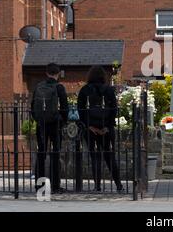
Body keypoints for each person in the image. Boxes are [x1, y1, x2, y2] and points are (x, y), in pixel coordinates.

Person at [77, 66, 123, 192]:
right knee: (109, 156)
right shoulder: (108, 90)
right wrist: (107, 127)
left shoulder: (84, 90)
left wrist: (89, 126)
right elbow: (114, 109)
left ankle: (97, 185)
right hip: (106, 129)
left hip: (90, 129)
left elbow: (80, 110)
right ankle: (118, 184)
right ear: (103, 76)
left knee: (94, 156)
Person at [31, 63, 68, 194]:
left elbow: (32, 108)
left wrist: (38, 119)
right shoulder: (59, 87)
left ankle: (40, 186)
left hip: (41, 124)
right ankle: (56, 185)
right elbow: (65, 108)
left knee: (41, 154)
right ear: (58, 74)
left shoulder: (39, 86)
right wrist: (62, 121)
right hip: (55, 124)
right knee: (56, 153)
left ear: (46, 73)